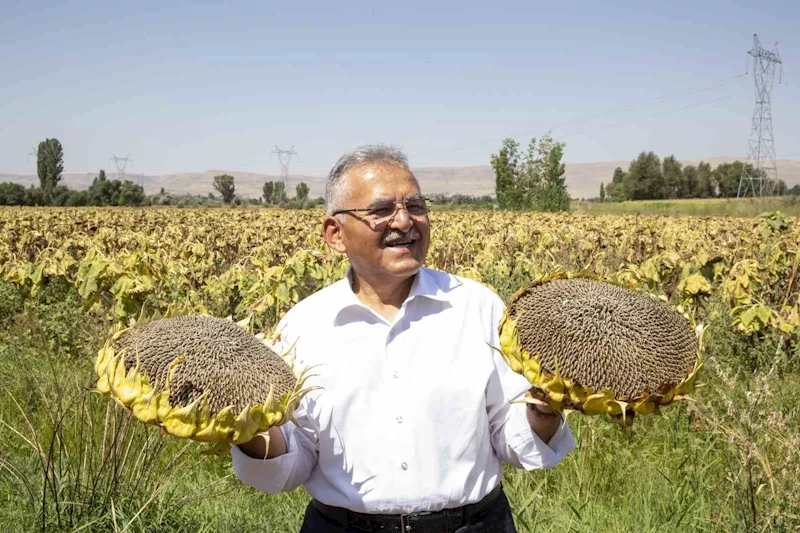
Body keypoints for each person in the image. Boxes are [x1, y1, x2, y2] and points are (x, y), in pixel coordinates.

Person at [231, 145, 575, 532]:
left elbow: (511, 434)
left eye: (415, 206)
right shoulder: (302, 327)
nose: (405, 222)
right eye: (381, 210)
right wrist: (245, 423)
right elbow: (292, 462)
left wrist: (544, 410)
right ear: (335, 234)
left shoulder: (477, 307)